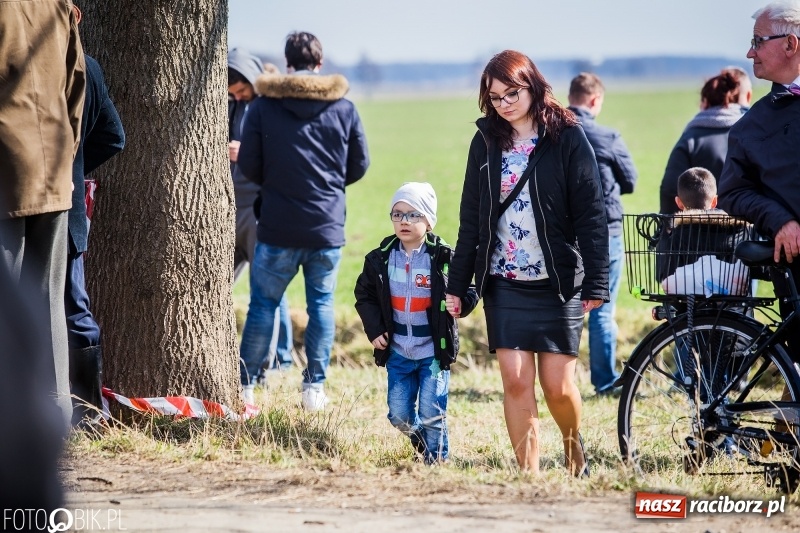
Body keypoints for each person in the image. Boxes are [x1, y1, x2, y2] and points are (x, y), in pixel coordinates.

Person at [445, 50, 608, 476]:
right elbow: (471, 220)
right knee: (516, 381)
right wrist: (458, 285)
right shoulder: (484, 143)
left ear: (532, 84)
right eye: (495, 97)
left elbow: (592, 211)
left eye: (511, 92)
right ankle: (529, 476)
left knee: (557, 387)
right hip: (504, 280)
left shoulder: (567, 137)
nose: (504, 104)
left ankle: (574, 452)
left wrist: (597, 281)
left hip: (558, 281)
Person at [237, 31, 370, 410]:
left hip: (277, 224)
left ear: (288, 63)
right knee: (322, 306)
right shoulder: (344, 108)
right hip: (326, 227)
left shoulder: (263, 107)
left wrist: (277, 183)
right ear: (320, 63)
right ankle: (314, 389)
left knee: (262, 304)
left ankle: (245, 386)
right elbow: (359, 164)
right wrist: (327, 185)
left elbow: (249, 163)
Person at [0, 0, 86, 428]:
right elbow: (77, 83)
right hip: (53, 165)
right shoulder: (58, 5)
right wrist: (66, 158)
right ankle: (54, 413)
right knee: (49, 297)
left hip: (6, 165)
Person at [354, 182, 478, 464]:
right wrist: (374, 330)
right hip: (398, 351)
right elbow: (365, 296)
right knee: (398, 414)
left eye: (413, 215)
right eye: (397, 214)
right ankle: (422, 442)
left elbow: (469, 289)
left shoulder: (444, 258)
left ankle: (437, 461)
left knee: (433, 412)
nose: (404, 221)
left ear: (429, 221)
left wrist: (462, 303)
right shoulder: (380, 259)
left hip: (433, 351)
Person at [719, 0, 800, 364]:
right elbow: (733, 192)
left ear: (790, 44)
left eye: (758, 40)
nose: (749, 52)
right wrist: (780, 219)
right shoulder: (749, 128)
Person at [66, 3, 126, 427]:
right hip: (65, 211)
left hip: (15, 212)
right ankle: (86, 412)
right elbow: (112, 137)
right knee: (73, 312)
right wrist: (75, 168)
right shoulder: (88, 67)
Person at [567, 72, 637, 397]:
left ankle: (560, 379)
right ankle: (604, 382)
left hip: (565, 235)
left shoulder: (554, 134)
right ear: (595, 100)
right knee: (601, 310)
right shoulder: (607, 136)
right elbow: (631, 180)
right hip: (605, 232)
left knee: (562, 307)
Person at [227, 49, 294, 377]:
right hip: (231, 206)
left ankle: (274, 364)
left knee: (267, 288)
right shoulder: (233, 106)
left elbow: (285, 156)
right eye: (233, 94)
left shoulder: (274, 108)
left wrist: (246, 152)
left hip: (261, 207)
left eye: (241, 90)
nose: (239, 97)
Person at [659, 72, 746, 215]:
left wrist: (666, 231)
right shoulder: (750, 134)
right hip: (746, 229)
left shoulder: (690, 139)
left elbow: (670, 189)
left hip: (699, 233)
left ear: (705, 102)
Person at [657, 168, 750, 297]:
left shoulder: (678, 235)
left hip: (690, 311)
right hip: (735, 308)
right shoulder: (739, 232)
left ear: (678, 202)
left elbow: (665, 276)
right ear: (715, 201)